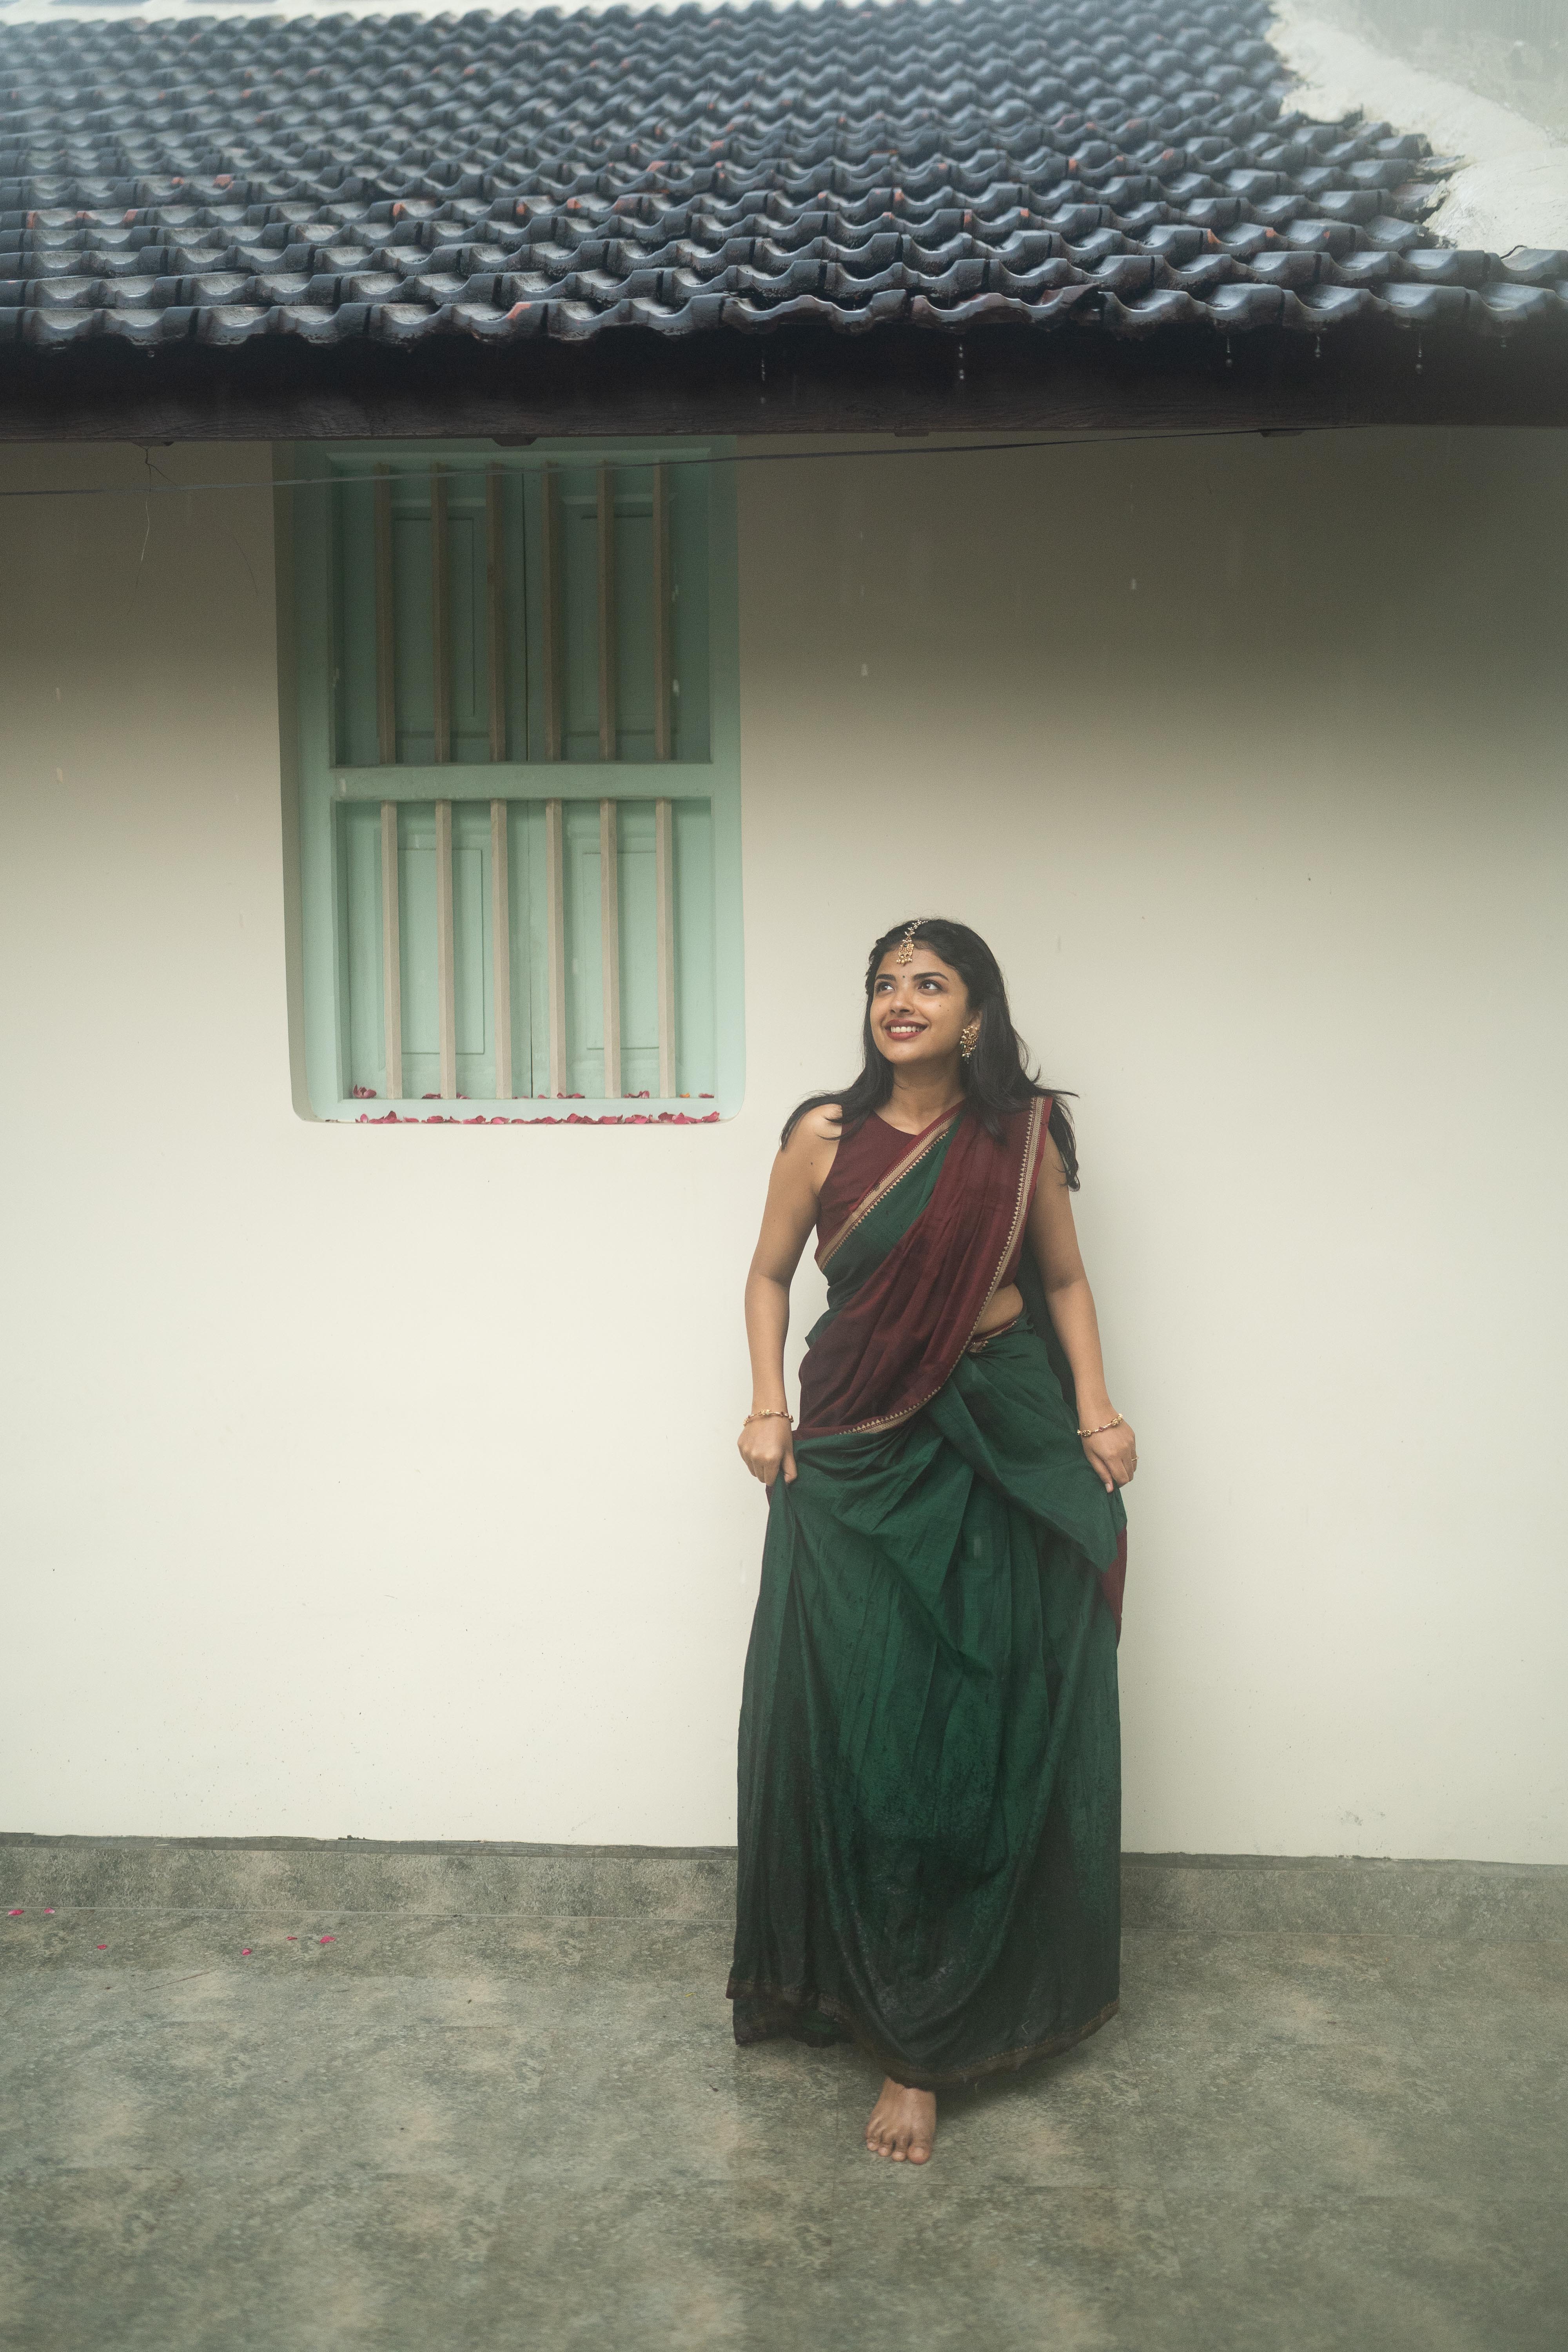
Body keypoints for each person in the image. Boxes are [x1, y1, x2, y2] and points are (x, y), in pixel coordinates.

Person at [727, 918, 1136, 2165]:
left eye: (930, 983)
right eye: (884, 983)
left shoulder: (1019, 1142)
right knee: (876, 1729)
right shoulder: (823, 1137)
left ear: (976, 1016)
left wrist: (1097, 1411)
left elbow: (1062, 1282)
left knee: (987, 1719)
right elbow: (767, 1276)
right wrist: (765, 1404)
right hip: (860, 1443)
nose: (901, 1000)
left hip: (1003, 1436)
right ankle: (879, 1994)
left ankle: (938, 2042)